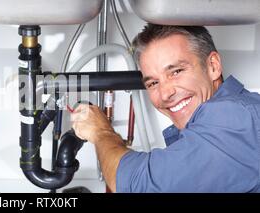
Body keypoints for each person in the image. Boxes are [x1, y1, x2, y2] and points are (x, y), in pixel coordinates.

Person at [71, 24, 260, 192]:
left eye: (176, 72)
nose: (165, 93)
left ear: (213, 66)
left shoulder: (235, 119)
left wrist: (101, 132)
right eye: (153, 83)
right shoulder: (233, 113)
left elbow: (136, 185)